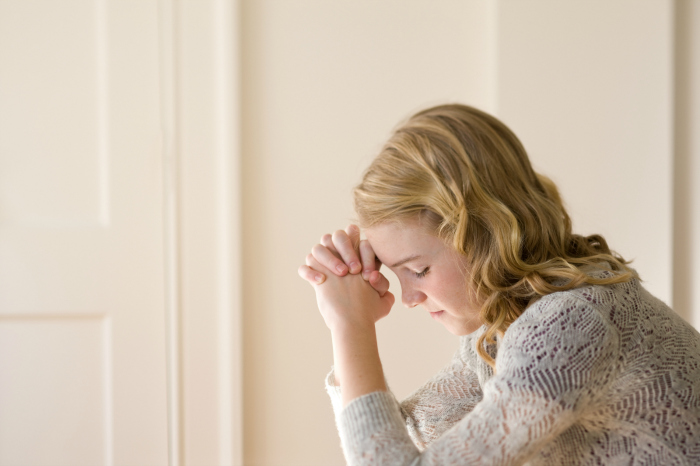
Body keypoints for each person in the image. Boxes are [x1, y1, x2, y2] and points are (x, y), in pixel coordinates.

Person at [298, 104, 700, 465]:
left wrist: (350, 326)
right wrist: (348, 308)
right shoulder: (504, 324)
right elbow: (410, 434)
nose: (408, 298)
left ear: (485, 235)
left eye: (418, 270)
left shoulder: (568, 324)